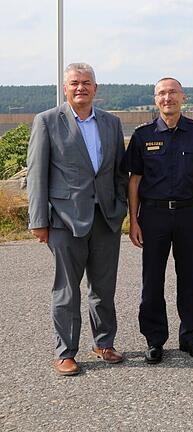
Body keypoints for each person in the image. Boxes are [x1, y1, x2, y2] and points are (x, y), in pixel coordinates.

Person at [26, 63, 128, 376]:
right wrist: (38, 220)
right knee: (66, 290)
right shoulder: (47, 121)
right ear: (65, 87)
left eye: (86, 83)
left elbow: (119, 171)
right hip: (64, 220)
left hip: (106, 218)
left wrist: (120, 206)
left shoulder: (111, 123)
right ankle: (65, 352)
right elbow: (37, 173)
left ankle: (103, 343)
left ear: (96, 88)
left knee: (104, 287)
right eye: (74, 83)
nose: (81, 88)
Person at [121, 77, 193, 364]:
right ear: (155, 100)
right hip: (153, 215)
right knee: (152, 279)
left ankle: (191, 338)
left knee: (190, 278)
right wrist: (133, 221)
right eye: (162, 93)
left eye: (173, 92)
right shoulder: (142, 135)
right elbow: (134, 181)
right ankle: (154, 340)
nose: (168, 98)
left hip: (189, 213)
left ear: (183, 97)